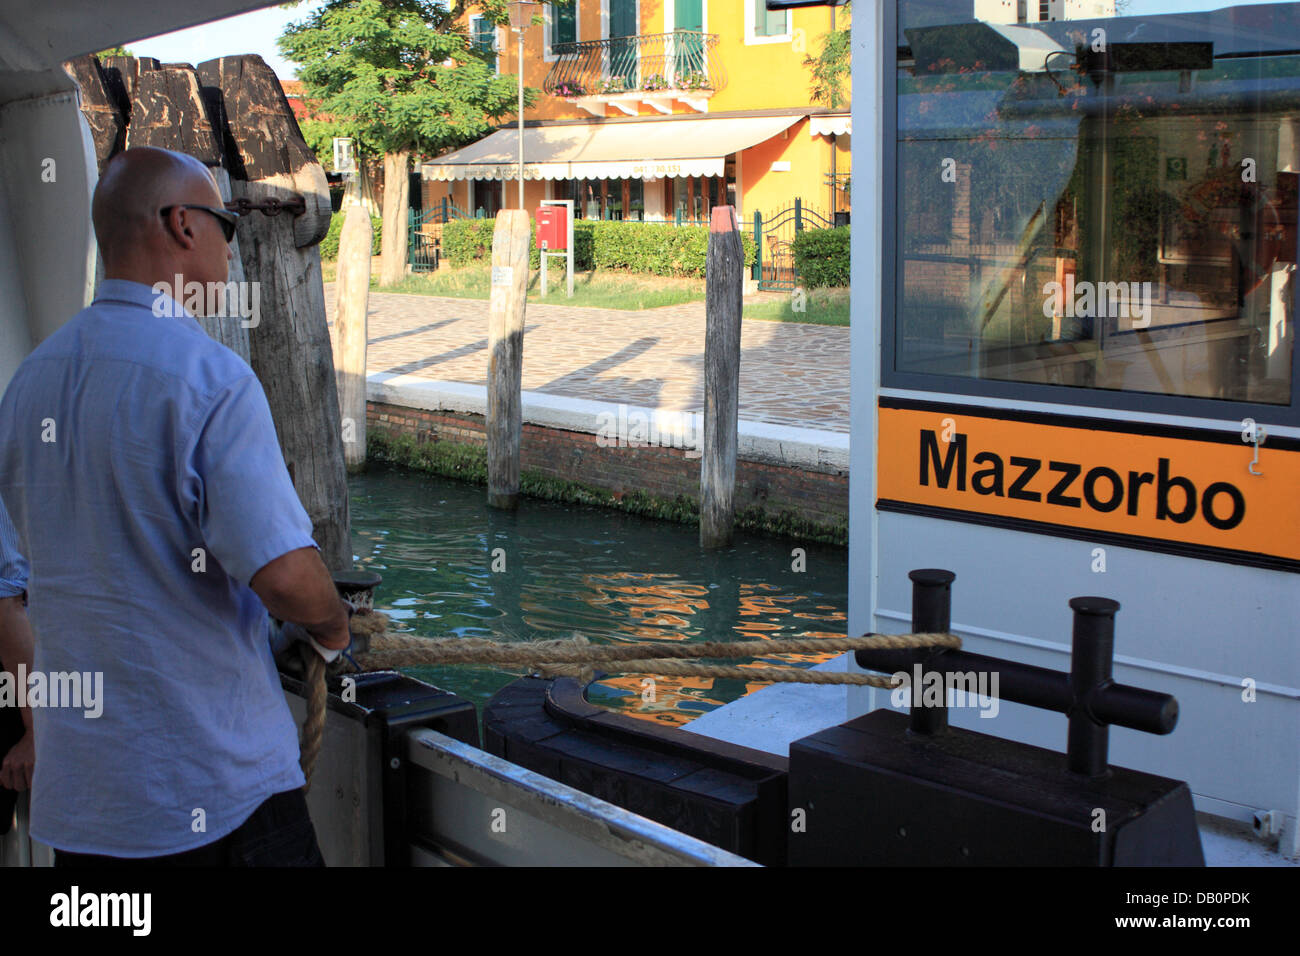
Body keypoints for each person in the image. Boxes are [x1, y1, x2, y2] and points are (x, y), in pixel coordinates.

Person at [0, 146, 351, 865]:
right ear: (181, 224)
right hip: (216, 795)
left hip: (90, 810)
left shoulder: (30, 382)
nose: (232, 243)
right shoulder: (208, 377)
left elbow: (15, 582)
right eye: (225, 222)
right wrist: (333, 624)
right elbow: (284, 577)